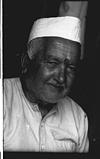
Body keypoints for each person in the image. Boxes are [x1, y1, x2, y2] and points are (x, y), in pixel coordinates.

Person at [3, 1, 89, 152]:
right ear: (25, 62)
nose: (61, 78)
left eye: (71, 68)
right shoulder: (3, 99)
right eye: (52, 62)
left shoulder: (78, 117)